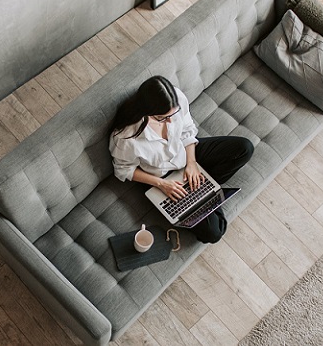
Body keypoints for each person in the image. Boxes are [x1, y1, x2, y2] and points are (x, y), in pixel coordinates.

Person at [109, 75, 254, 243]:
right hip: (161, 177)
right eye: (163, 117)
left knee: (244, 148)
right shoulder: (125, 137)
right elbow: (123, 170)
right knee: (215, 232)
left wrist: (192, 163)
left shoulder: (176, 98)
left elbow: (187, 130)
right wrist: (161, 184)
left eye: (173, 114)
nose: (170, 121)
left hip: (186, 153)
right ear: (146, 111)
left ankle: (203, 188)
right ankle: (204, 192)